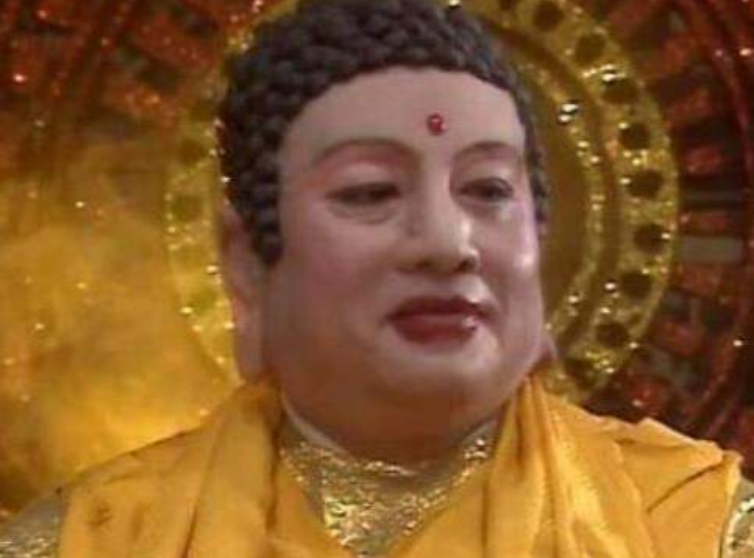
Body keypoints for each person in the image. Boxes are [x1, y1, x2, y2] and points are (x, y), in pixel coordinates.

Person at [1, 0, 751, 556]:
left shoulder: (695, 528)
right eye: (370, 192)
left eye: (487, 189)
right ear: (247, 262)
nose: (448, 244)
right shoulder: (98, 539)